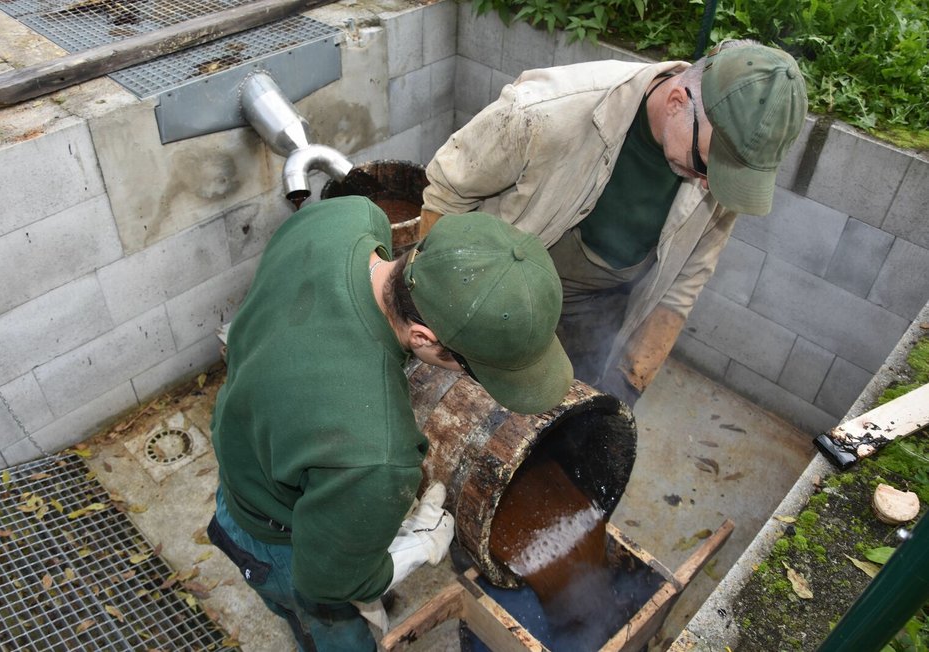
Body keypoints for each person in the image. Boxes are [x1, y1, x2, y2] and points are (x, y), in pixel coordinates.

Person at [207, 194, 574, 651]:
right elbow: (327, 584)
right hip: (275, 541)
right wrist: (409, 551)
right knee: (332, 625)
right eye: (473, 368)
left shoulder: (345, 216)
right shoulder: (380, 454)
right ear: (423, 337)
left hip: (241, 445)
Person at [419, 39, 808, 408]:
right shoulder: (546, 112)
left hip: (599, 308)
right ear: (677, 102)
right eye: (708, 165)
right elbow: (447, 192)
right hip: (500, 291)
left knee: (561, 418)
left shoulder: (715, 164)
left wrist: (631, 379)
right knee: (467, 402)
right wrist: (435, 307)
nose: (710, 183)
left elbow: (683, 283)